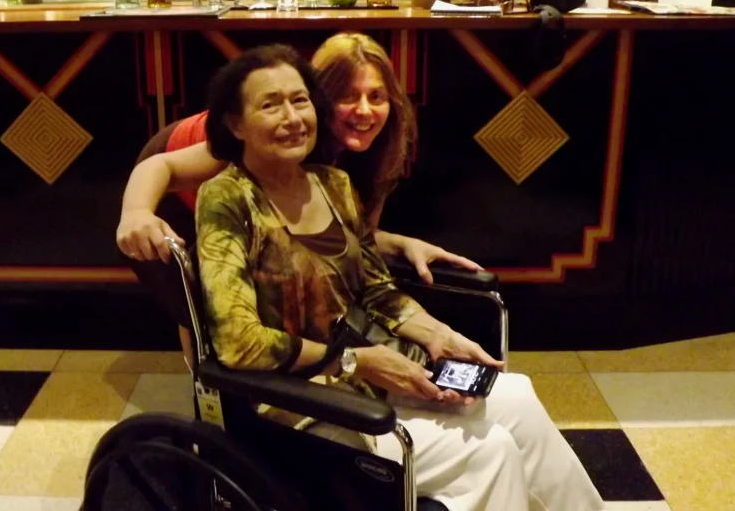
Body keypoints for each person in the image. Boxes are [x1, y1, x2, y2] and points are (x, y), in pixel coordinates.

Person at [195, 45, 604, 511]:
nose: (292, 117)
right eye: (271, 105)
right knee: (491, 453)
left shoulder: (332, 185)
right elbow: (238, 342)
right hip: (297, 411)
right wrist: (355, 362)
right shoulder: (227, 198)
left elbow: (375, 289)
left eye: (300, 100)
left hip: (365, 380)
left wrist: (440, 335)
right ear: (235, 124)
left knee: (516, 397)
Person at [117, 32, 481, 281]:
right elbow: (160, 166)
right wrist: (136, 212)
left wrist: (404, 244)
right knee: (201, 296)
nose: (365, 111)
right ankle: (205, 387)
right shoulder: (277, 133)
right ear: (318, 99)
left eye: (377, 96)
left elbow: (356, 236)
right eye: (347, 96)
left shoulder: (378, 150)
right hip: (171, 184)